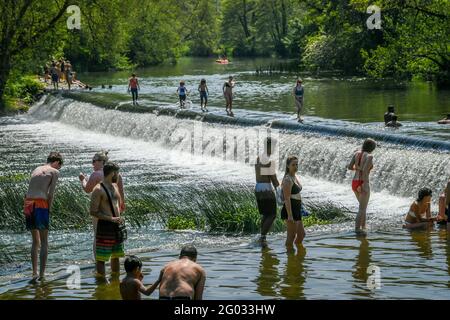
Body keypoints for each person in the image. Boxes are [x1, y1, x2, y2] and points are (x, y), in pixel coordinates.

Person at [24, 152, 63, 281]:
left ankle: (34, 272)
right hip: (41, 204)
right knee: (44, 241)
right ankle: (42, 275)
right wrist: (49, 209)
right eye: (59, 166)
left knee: (35, 241)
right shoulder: (54, 171)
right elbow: (50, 194)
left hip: (28, 202)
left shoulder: (36, 169)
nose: (58, 169)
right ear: (57, 162)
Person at [79, 151, 125, 258]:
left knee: (97, 236)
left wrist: (82, 180)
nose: (93, 164)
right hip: (115, 210)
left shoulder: (96, 174)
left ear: (102, 162)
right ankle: (115, 262)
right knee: (115, 235)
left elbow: (87, 189)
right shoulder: (117, 175)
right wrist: (122, 205)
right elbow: (121, 192)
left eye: (94, 161)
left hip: (101, 211)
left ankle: (98, 263)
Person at [90, 162, 126, 277]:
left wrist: (119, 217)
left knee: (116, 256)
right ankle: (101, 284)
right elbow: (92, 211)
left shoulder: (115, 186)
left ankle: (115, 282)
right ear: (113, 173)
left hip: (116, 226)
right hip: (105, 226)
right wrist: (111, 218)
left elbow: (117, 205)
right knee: (101, 258)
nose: (118, 176)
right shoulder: (98, 189)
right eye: (117, 173)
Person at [347, 138, 376, 234]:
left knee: (363, 207)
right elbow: (364, 171)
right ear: (372, 148)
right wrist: (364, 185)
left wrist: (358, 168)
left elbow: (350, 167)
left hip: (354, 182)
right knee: (362, 209)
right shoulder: (369, 156)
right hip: (363, 182)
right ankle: (357, 229)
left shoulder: (356, 154)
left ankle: (363, 227)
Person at [254, 137, 280, 245]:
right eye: (273, 147)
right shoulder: (269, 161)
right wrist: (280, 191)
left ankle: (261, 236)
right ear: (269, 147)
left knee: (265, 214)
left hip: (258, 187)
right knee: (272, 214)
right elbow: (273, 178)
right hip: (266, 189)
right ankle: (262, 237)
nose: (274, 149)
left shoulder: (258, 158)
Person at [280, 156, 305, 248]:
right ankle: (290, 258)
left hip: (297, 208)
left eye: (296, 164)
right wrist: (290, 215)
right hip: (291, 209)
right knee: (291, 236)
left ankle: (298, 257)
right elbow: (287, 198)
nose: (295, 167)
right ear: (288, 166)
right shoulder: (287, 179)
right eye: (293, 165)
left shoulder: (295, 177)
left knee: (301, 235)